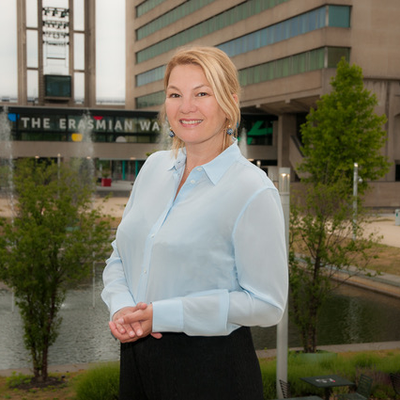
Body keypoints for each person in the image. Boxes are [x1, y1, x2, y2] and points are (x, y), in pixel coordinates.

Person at [101, 46, 288, 400]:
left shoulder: (252, 190)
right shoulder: (153, 168)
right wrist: (123, 308)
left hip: (211, 371)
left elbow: (267, 304)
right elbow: (119, 259)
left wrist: (162, 315)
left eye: (202, 93)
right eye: (175, 94)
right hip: (137, 361)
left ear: (229, 101)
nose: (186, 106)